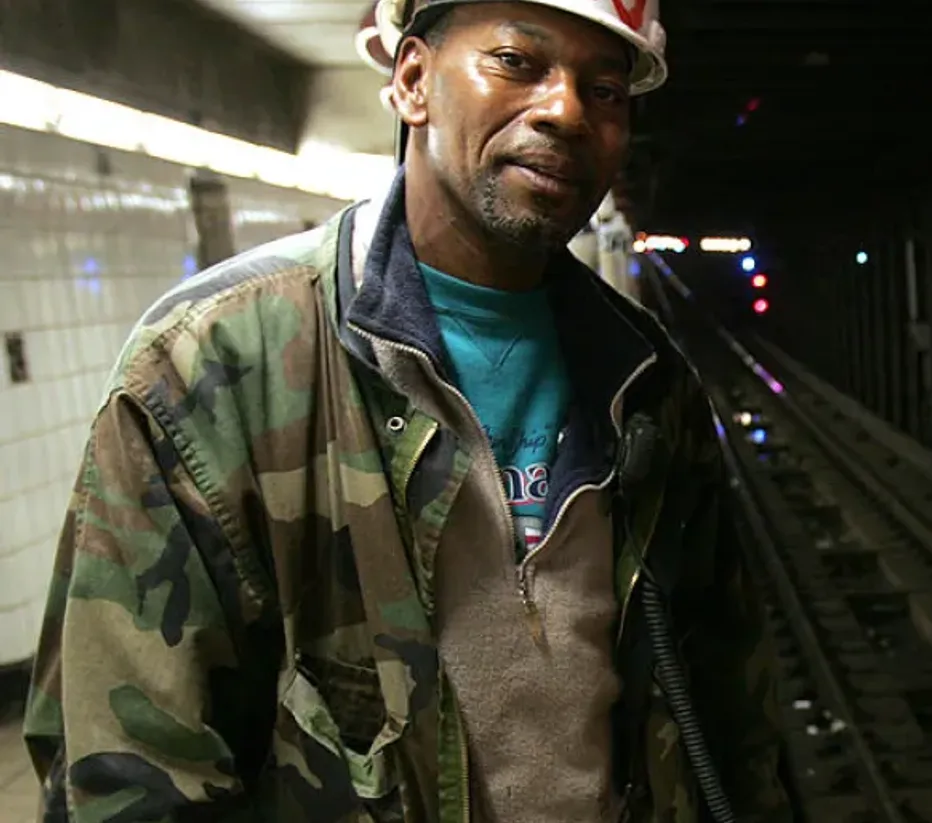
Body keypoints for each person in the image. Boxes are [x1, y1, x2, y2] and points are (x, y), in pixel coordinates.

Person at [21, 0, 793, 820]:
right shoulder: (212, 366)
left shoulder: (646, 381)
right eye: (517, 62)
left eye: (604, 90)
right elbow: (125, 772)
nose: (566, 111)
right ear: (414, 81)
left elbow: (729, 711)